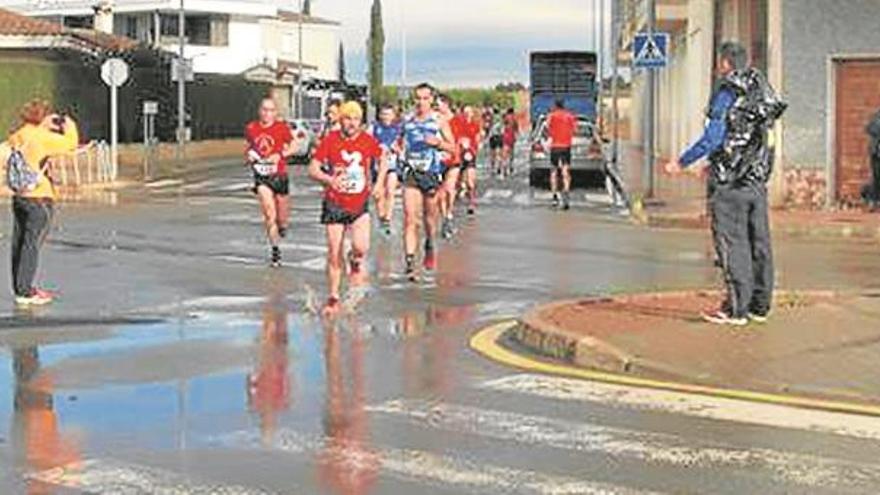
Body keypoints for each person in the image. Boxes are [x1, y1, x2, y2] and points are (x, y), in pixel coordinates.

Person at [664, 41, 786, 326]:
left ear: (726, 64)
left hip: (729, 184)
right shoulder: (761, 90)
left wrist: (681, 162)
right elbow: (765, 137)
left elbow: (714, 137)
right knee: (760, 243)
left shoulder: (728, 90)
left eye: (720, 63)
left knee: (732, 243)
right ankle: (759, 305)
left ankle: (735, 309)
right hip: (756, 181)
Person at [309, 101, 387, 315]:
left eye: (355, 119)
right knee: (334, 251)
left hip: (359, 204)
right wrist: (328, 179)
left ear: (361, 121)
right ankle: (333, 297)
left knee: (361, 247)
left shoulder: (367, 140)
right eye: (347, 118)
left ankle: (354, 261)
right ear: (341, 120)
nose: (351, 123)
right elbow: (313, 168)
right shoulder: (330, 140)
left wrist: (379, 183)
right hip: (334, 202)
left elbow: (383, 160)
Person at [2, 99, 79, 306]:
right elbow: (71, 144)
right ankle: (27, 293)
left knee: (19, 243)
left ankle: (21, 288)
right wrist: (69, 125)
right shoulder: (41, 138)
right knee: (32, 245)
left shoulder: (17, 136)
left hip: (20, 196)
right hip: (39, 197)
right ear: (43, 117)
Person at [400, 83, 456, 281]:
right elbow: (400, 142)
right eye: (418, 98)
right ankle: (409, 261)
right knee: (409, 218)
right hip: (411, 174)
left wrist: (439, 143)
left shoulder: (438, 120)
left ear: (431, 100)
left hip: (431, 174)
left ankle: (430, 244)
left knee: (429, 220)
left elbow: (454, 148)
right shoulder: (408, 121)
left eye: (425, 98)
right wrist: (397, 152)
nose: (421, 102)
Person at [244, 97, 297, 267]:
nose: (267, 114)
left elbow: (295, 145)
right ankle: (275, 251)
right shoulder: (251, 128)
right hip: (262, 177)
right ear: (260, 111)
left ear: (275, 113)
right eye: (264, 110)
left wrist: (280, 155)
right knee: (269, 213)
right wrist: (250, 156)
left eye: (271, 110)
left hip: (279, 175)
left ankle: (282, 226)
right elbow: (250, 147)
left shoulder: (281, 128)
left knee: (281, 219)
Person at [370, 104, 403, 236]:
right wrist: (378, 149)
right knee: (380, 193)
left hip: (392, 164)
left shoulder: (398, 129)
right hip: (377, 164)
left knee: (390, 191)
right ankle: (381, 216)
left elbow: (403, 148)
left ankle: (387, 219)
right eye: (383, 114)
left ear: (394, 116)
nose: (386, 117)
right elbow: (367, 143)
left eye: (389, 114)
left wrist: (398, 150)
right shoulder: (374, 128)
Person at [436, 94, 463, 239]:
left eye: (438, 104)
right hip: (438, 161)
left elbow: (460, 138)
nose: (436, 106)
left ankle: (449, 214)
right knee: (440, 194)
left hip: (453, 159)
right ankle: (445, 218)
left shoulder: (456, 120)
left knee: (449, 189)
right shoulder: (435, 120)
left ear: (446, 104)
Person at [545, 99, 577, 210]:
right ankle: (566, 196)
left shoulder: (551, 116)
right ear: (564, 105)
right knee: (565, 171)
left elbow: (548, 128)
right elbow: (574, 130)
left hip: (555, 146)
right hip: (566, 147)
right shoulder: (570, 116)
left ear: (555, 105)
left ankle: (554, 197)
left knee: (553, 172)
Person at [457, 104, 483, 215]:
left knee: (471, 182)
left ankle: (471, 204)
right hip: (458, 155)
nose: (467, 114)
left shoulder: (475, 125)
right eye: (465, 112)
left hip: (470, 155)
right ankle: (459, 192)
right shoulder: (458, 125)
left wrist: (475, 148)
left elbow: (478, 139)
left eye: (469, 112)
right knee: (457, 182)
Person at [864, 108, 880, 209]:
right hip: (876, 153)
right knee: (876, 177)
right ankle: (873, 200)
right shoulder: (877, 117)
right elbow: (869, 128)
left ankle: (873, 199)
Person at [501, 108, 519, 177]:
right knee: (511, 153)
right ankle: (511, 166)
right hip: (512, 137)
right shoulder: (514, 119)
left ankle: (505, 169)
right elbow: (516, 129)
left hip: (506, 137)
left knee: (504, 154)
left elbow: (503, 124)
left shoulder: (505, 117)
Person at [487, 109, 504, 176]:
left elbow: (488, 128)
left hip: (492, 137)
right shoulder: (501, 119)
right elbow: (502, 130)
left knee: (492, 154)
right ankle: (499, 167)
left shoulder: (491, 119)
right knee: (499, 153)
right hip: (499, 137)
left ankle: (493, 168)